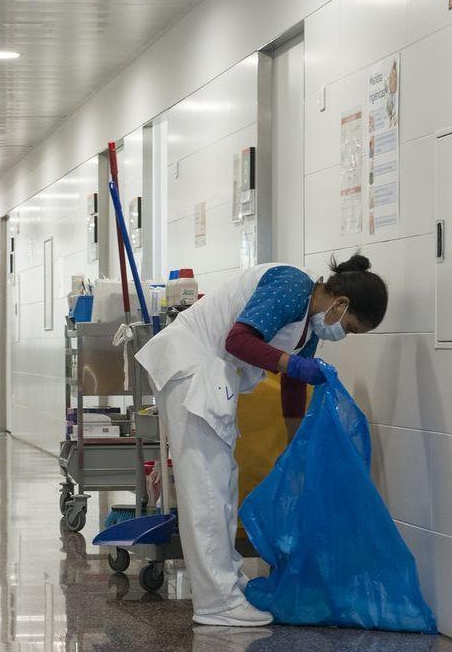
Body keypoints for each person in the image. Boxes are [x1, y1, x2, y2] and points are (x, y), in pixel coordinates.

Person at [134, 254, 388, 627]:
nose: (342, 334)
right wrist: (292, 363)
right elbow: (238, 340)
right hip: (192, 365)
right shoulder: (292, 286)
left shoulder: (311, 326)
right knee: (206, 486)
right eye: (349, 328)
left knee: (223, 481)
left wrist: (295, 448)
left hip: (210, 373)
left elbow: (293, 384)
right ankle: (215, 602)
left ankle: (227, 581)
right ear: (341, 303)